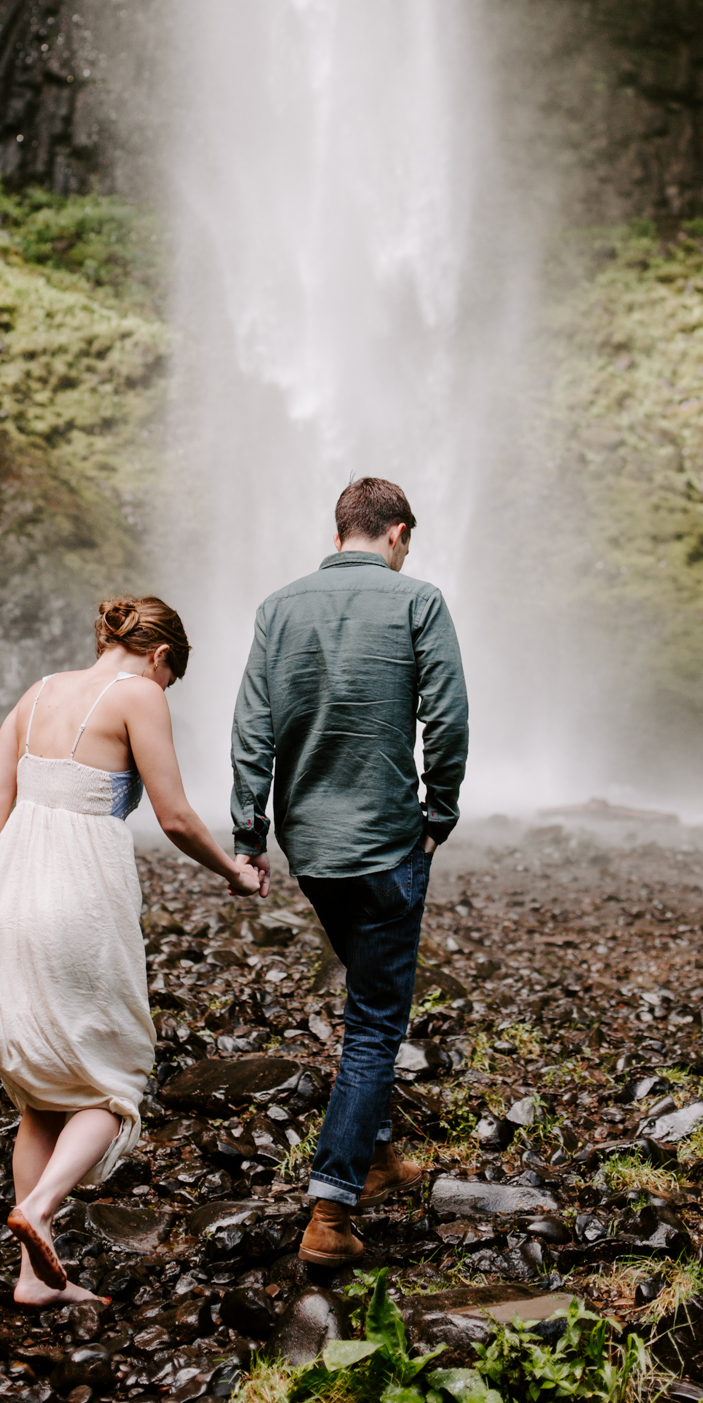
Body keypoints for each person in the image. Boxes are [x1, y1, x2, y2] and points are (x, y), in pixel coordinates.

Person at [0, 595, 264, 1306]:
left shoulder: (37, 692)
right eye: (170, 678)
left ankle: (32, 1280)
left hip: (5, 893)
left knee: (40, 1093)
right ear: (160, 657)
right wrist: (235, 872)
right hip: (77, 895)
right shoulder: (137, 694)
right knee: (115, 1075)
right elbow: (173, 814)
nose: (164, 691)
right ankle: (38, 1210)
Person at [230, 476, 469, 1266]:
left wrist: (248, 833)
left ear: (340, 534)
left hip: (313, 852)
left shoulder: (276, 609)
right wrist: (439, 814)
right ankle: (330, 1209)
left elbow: (252, 728)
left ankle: (374, 1156)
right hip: (389, 846)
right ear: (396, 534)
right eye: (407, 542)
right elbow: (448, 714)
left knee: (365, 989)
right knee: (373, 1024)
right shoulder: (418, 601)